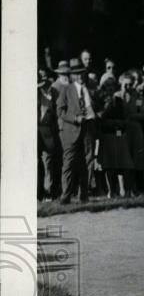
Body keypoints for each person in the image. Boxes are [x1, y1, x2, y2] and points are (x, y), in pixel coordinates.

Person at [55, 58, 96, 204]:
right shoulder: (66, 89)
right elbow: (60, 111)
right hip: (71, 132)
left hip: (87, 130)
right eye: (76, 74)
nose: (80, 76)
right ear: (72, 75)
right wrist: (75, 118)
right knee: (69, 164)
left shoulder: (87, 90)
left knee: (85, 163)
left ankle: (83, 195)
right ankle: (65, 197)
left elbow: (92, 109)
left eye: (81, 73)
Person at [37, 69, 60, 200]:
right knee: (37, 162)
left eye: (46, 77)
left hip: (47, 132)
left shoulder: (52, 93)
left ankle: (48, 191)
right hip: (35, 131)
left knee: (48, 162)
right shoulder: (35, 93)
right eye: (42, 77)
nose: (45, 80)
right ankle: (39, 192)